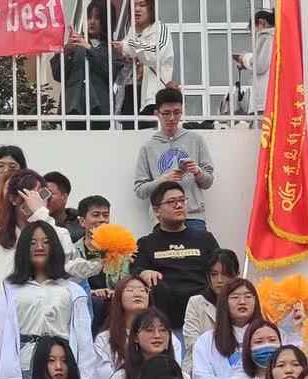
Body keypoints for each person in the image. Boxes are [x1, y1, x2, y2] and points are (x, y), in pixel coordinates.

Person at [0, 169, 91, 353]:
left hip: (46, 325)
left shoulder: (58, 233)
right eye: (30, 193)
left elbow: (64, 257)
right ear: (14, 199)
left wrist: (41, 214)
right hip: (2, 325)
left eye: (42, 194)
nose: (37, 200)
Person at [0, 221, 98, 379]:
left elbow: (84, 343)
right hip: (21, 367)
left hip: (59, 366)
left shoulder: (73, 291)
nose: (39, 247)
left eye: (46, 242)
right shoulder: (10, 289)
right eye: (32, 243)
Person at [132, 181, 221, 331]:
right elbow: (135, 270)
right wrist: (144, 272)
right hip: (167, 305)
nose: (179, 205)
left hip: (202, 302)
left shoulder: (205, 239)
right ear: (156, 210)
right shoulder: (146, 243)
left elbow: (221, 267)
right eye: (171, 202)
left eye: (182, 200)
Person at [133, 89, 216, 230]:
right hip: (162, 219)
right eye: (166, 113)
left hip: (194, 216)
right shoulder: (148, 148)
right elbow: (140, 190)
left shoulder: (196, 140)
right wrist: (163, 179)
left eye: (177, 112)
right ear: (157, 114)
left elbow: (208, 182)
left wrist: (197, 172)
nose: (172, 118)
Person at [191, 280, 264, 379]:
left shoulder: (269, 335)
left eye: (248, 297)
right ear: (224, 303)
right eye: (235, 297)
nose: (242, 302)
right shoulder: (206, 340)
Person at [53, 5, 112, 128]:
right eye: (89, 17)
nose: (92, 22)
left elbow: (112, 71)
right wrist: (68, 51)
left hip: (100, 111)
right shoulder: (73, 45)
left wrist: (89, 48)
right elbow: (57, 74)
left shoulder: (111, 47)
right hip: (73, 109)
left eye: (97, 18)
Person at [113, 0, 174, 119]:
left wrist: (129, 47)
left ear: (151, 7)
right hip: (129, 93)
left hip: (152, 96)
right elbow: (119, 77)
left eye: (142, 5)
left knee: (151, 129)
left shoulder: (160, 29)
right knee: (129, 130)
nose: (137, 9)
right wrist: (126, 62)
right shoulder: (130, 33)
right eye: (133, 5)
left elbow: (155, 55)